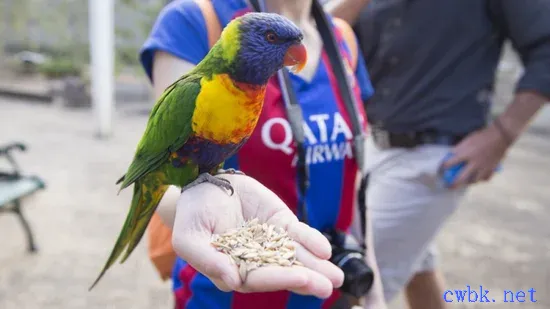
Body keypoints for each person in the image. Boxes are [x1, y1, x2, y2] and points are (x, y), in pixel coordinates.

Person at [139, 0, 387, 308]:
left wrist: (374, 292)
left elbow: (355, 184)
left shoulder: (342, 38)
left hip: (327, 288)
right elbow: (165, 171)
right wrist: (200, 208)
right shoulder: (196, 21)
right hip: (226, 290)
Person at [326, 0, 550, 308]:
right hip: (372, 147)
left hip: (433, 159)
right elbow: (319, 36)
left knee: (350, 288)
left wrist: (501, 134)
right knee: (418, 265)